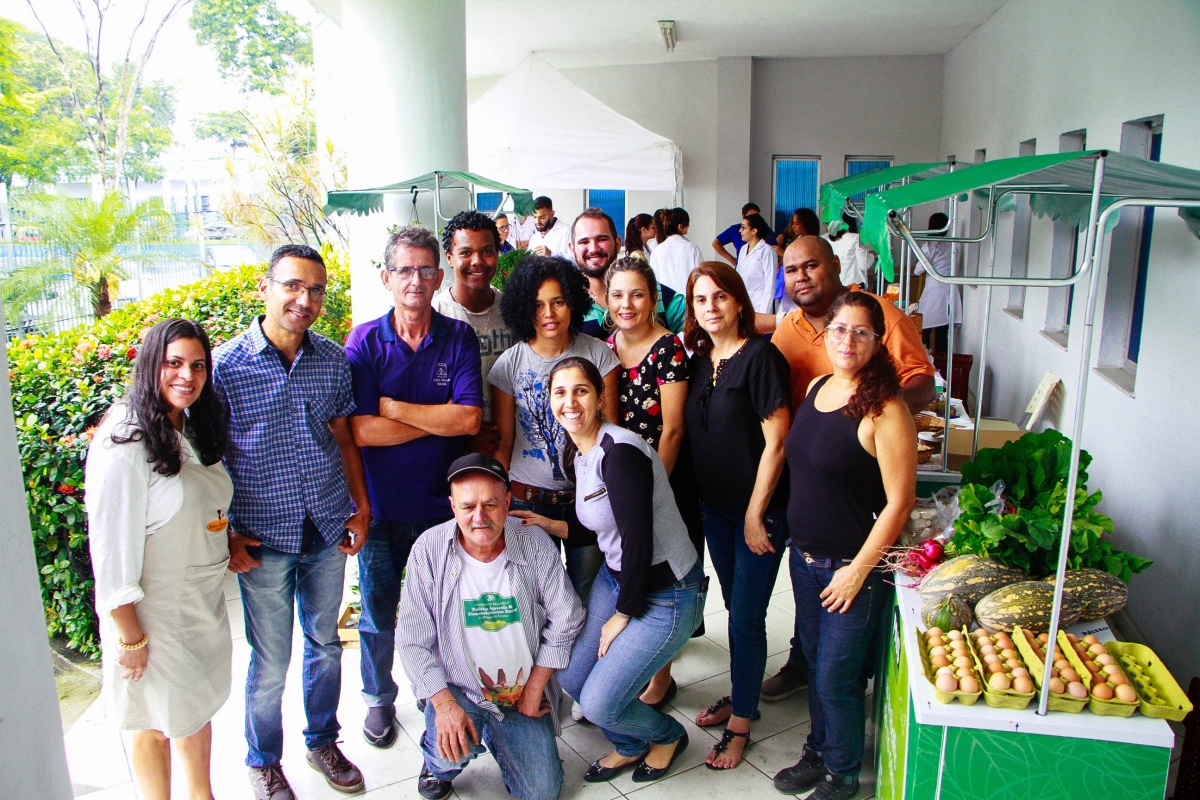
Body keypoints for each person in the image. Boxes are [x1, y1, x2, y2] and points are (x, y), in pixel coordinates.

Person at [214, 244, 370, 799]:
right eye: (292, 286)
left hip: (325, 526)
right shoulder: (225, 367)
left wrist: (360, 505)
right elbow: (208, 458)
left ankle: (322, 741)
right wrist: (225, 532)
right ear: (265, 288)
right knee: (272, 658)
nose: (305, 299)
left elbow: (344, 437)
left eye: (316, 290)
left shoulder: (330, 359)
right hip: (261, 536)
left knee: (324, 643)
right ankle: (263, 760)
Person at [757, 236, 934, 704]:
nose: (802, 277)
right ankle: (803, 669)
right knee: (812, 618)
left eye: (811, 265)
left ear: (835, 265)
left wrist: (871, 413)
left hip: (853, 474)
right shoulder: (789, 327)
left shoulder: (880, 314)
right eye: (791, 270)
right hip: (806, 478)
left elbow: (923, 383)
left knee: (840, 663)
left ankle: (839, 694)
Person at [519, 357, 703, 785]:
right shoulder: (578, 450)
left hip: (667, 590)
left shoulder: (619, 453)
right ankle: (630, 744)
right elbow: (602, 521)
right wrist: (550, 524)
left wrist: (623, 613)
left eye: (580, 390)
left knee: (600, 703)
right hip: (619, 577)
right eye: (560, 393)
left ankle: (668, 736)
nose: (570, 402)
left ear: (600, 397)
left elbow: (638, 541)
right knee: (572, 675)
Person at [345, 224, 485, 749]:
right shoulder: (364, 342)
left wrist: (394, 409)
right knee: (378, 614)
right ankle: (379, 698)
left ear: (439, 276)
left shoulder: (458, 337)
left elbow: (469, 420)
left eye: (426, 270)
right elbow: (361, 432)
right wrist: (436, 418)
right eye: (404, 270)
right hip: (381, 508)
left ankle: (438, 693)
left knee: (442, 612)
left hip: (441, 507)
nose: (416, 280)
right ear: (386, 278)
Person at [772, 292, 916, 800]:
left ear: (877, 342)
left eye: (861, 332)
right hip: (805, 559)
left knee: (838, 677)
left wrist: (858, 571)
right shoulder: (817, 387)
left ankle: (843, 774)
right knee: (815, 665)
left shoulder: (885, 410)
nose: (847, 340)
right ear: (825, 333)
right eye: (839, 329)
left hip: (853, 569)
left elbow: (900, 502)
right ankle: (819, 750)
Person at [85, 319, 232, 800]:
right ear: (151, 364)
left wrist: (226, 543)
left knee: (193, 710)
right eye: (173, 363)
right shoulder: (124, 439)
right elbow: (110, 550)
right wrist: (132, 638)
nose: (187, 376)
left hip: (198, 604)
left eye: (198, 365)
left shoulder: (186, 422)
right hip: (153, 617)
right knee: (152, 721)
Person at [397, 454, 586, 800]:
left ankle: (497, 734)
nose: (479, 517)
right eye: (468, 506)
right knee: (448, 753)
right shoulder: (428, 549)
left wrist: (536, 686)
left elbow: (568, 616)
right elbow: (412, 640)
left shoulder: (534, 541)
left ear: (508, 502)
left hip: (521, 689)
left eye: (490, 504)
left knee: (542, 793)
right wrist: (443, 704)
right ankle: (436, 760)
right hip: (459, 688)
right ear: (452, 506)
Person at [684, 262, 791, 770]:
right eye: (701, 299)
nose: (711, 307)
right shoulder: (700, 360)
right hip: (714, 511)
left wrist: (755, 514)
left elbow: (777, 443)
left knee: (746, 618)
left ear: (739, 301)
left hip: (758, 516)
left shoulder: (761, 357)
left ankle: (742, 723)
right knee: (734, 608)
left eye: (720, 297)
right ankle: (743, 692)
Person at [488, 254, 621, 603]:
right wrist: (498, 500)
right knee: (532, 600)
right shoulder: (509, 364)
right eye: (537, 305)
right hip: (527, 501)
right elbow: (504, 442)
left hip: (587, 499)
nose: (549, 313)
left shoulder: (599, 355)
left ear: (573, 302)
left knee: (586, 598)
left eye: (558, 302)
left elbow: (612, 436)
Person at [603, 255, 704, 709]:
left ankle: (662, 676)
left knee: (660, 574)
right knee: (629, 567)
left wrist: (650, 492)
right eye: (618, 295)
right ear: (607, 301)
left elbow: (674, 429)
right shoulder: (606, 347)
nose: (627, 304)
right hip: (620, 481)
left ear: (653, 299)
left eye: (637, 295)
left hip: (661, 480)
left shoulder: (668, 349)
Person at [433, 211, 514, 456]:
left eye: (487, 251)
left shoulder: (513, 311)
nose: (477, 261)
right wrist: (465, 432)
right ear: (449, 257)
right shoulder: (435, 314)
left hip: (512, 443)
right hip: (453, 445)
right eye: (466, 253)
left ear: (498, 254)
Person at [571, 208, 686, 338]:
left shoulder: (659, 295)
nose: (593, 249)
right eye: (584, 242)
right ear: (572, 249)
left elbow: (699, 323)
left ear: (618, 243)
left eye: (602, 239)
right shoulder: (566, 302)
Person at [915, 212, 961, 353]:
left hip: (933, 290)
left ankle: (926, 356)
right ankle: (942, 361)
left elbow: (918, 270)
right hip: (950, 290)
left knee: (925, 328)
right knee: (943, 331)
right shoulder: (952, 245)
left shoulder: (928, 247)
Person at [649, 207, 703, 295]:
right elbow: (700, 276)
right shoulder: (692, 248)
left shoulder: (657, 250)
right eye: (687, 224)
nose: (688, 227)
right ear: (680, 226)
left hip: (665, 299)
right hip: (687, 298)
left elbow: (653, 279)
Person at [736, 212, 780, 314]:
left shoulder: (767, 251)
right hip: (743, 304)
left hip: (759, 305)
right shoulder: (743, 249)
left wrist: (764, 313)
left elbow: (770, 284)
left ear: (754, 231)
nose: (740, 230)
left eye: (743, 227)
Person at [827, 213, 874, 291]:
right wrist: (872, 255)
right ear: (851, 222)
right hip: (854, 287)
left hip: (837, 286)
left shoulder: (830, 240)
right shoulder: (855, 238)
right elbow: (864, 264)